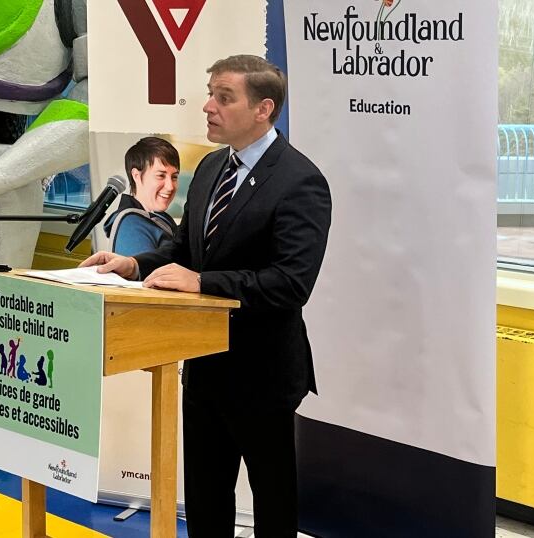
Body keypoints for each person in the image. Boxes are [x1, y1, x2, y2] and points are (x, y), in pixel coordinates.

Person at [81, 55, 332, 537]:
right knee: (204, 501)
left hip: (262, 373)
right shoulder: (213, 166)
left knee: (273, 505)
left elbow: (290, 282)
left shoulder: (300, 181)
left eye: (224, 97)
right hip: (202, 366)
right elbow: (183, 247)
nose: (208, 107)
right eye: (210, 93)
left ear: (263, 109)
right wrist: (134, 265)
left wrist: (204, 282)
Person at [103, 136, 180, 256]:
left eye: (174, 177)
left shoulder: (160, 218)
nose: (170, 186)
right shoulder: (131, 226)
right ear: (136, 176)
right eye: (161, 175)